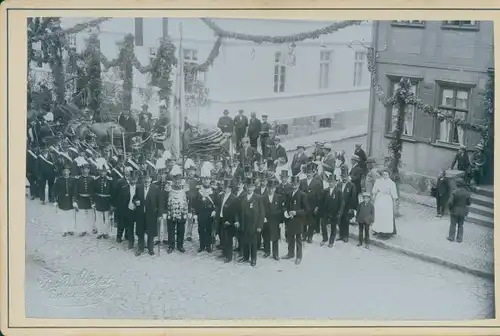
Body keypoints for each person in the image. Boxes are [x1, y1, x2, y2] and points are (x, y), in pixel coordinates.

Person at [236, 177, 263, 267]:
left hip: (254, 224)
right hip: (244, 223)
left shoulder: (258, 198)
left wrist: (259, 226)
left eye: (251, 187)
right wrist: (237, 221)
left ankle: (253, 258)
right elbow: (238, 211)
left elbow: (262, 213)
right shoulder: (242, 197)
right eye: (248, 186)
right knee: (245, 241)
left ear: (254, 187)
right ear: (245, 187)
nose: (249, 188)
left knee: (253, 242)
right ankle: (246, 257)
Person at [134, 170, 161, 256]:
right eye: (144, 178)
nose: (146, 180)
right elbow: (134, 198)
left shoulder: (156, 188)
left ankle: (150, 248)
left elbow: (160, 203)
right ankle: (140, 248)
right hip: (141, 213)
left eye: (148, 178)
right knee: (140, 231)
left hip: (151, 214)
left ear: (151, 179)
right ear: (142, 179)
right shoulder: (139, 187)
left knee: (151, 232)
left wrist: (159, 214)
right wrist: (136, 201)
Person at [192, 167, 219, 253]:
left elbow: (218, 203)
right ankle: (202, 245)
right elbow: (195, 203)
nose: (206, 181)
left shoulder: (214, 191)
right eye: (204, 179)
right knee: (201, 229)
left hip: (210, 213)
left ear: (210, 180)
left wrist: (215, 211)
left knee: (209, 229)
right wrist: (195, 213)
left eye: (207, 179)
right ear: (202, 180)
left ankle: (208, 245)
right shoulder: (198, 190)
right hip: (201, 213)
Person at [283, 175, 308, 265]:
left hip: (298, 221)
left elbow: (306, 210)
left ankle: (299, 256)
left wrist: (296, 212)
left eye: (296, 184)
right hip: (289, 220)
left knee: (298, 239)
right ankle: (290, 253)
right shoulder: (288, 193)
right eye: (293, 183)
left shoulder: (302, 195)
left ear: (299, 184)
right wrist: (285, 211)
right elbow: (285, 205)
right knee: (290, 238)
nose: (294, 185)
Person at [164, 165, 189, 254]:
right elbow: (164, 199)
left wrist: (188, 211)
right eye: (176, 179)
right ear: (173, 179)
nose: (177, 181)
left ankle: (180, 245)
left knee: (181, 229)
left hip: (182, 212)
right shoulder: (168, 187)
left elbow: (189, 199)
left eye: (179, 179)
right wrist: (164, 211)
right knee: (171, 229)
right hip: (171, 211)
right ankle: (171, 245)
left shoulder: (185, 187)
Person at [217, 177, 239, 263]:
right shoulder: (221, 195)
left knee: (228, 238)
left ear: (230, 188)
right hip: (221, 218)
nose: (224, 189)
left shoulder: (234, 198)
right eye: (224, 187)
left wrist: (230, 221)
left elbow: (235, 211)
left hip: (228, 220)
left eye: (226, 187)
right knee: (222, 237)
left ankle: (229, 256)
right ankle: (224, 252)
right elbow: (219, 206)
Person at [371, 169, 398, 239]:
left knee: (386, 216)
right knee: (379, 215)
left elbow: (394, 194)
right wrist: (375, 195)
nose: (385, 176)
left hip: (387, 200)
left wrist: (394, 203)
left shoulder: (392, 183)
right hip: (380, 199)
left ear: (389, 175)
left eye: (386, 174)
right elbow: (377, 189)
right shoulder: (381, 182)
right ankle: (379, 230)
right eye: (384, 174)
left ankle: (387, 233)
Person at [299, 162, 323, 243]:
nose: (308, 174)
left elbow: (320, 196)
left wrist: (318, 206)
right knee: (304, 221)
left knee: (311, 222)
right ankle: (304, 235)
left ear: (313, 173)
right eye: (307, 173)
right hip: (304, 206)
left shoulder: (317, 183)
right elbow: (300, 193)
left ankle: (310, 236)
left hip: (313, 206)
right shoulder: (302, 182)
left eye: (310, 173)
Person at [262, 179, 284, 260]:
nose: (271, 190)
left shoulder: (278, 198)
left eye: (272, 188)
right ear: (267, 188)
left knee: (275, 237)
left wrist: (281, 221)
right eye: (269, 188)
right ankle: (267, 251)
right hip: (266, 220)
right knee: (266, 236)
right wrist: (263, 217)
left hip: (275, 221)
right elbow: (262, 209)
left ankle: (275, 253)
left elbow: (281, 210)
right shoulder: (263, 198)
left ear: (275, 188)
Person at [53, 164, 76, 236]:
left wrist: (75, 200)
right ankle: (64, 230)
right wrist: (55, 200)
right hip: (62, 200)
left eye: (67, 171)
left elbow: (75, 191)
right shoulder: (59, 180)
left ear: (69, 172)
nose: (66, 172)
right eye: (64, 171)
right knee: (63, 216)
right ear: (62, 172)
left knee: (70, 216)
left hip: (70, 200)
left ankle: (70, 229)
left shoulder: (73, 180)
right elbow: (54, 191)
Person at [337, 166, 358, 242]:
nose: (344, 178)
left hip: (347, 206)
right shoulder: (339, 184)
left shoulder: (351, 185)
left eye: (345, 176)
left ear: (348, 176)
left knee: (345, 221)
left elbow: (353, 198)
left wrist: (351, 208)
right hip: (339, 206)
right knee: (339, 220)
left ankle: (345, 236)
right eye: (342, 176)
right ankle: (341, 235)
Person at [447, 178, 471, 243]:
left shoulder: (454, 192)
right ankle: (459, 239)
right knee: (461, 225)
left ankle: (451, 237)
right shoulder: (467, 193)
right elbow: (469, 203)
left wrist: (450, 208)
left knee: (453, 224)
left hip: (454, 211)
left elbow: (450, 202)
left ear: (457, 184)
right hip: (463, 211)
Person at [93, 166, 114, 239]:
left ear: (106, 172)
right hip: (99, 201)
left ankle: (106, 232)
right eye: (101, 171)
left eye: (104, 171)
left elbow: (112, 192)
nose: (102, 173)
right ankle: (100, 232)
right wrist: (94, 202)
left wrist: (112, 203)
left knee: (107, 218)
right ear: (99, 172)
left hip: (107, 201)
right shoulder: (96, 180)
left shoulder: (110, 180)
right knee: (99, 218)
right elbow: (94, 191)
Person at [320, 173, 341, 247]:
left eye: (333, 182)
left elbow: (341, 203)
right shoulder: (325, 190)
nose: (331, 183)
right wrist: (321, 210)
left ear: (335, 182)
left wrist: (339, 212)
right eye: (330, 182)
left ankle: (331, 241)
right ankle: (325, 238)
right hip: (326, 212)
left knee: (333, 227)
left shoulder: (338, 191)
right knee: (323, 225)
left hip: (334, 212)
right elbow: (321, 201)